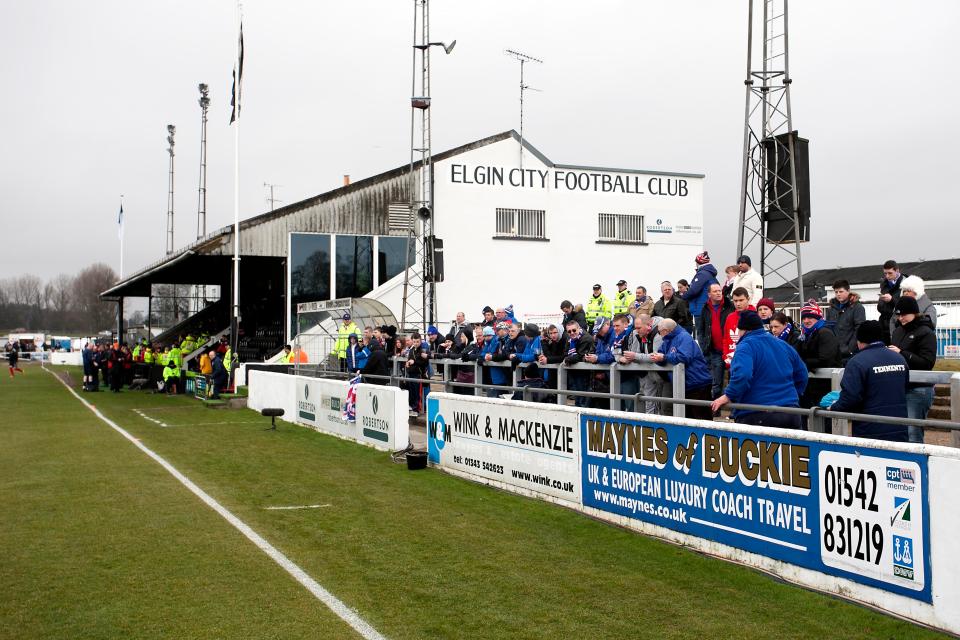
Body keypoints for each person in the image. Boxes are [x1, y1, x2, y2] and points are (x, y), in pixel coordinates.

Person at [711, 310, 808, 429]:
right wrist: (793, 396)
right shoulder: (782, 344)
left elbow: (743, 375)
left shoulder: (745, 346)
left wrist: (728, 395)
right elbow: (802, 373)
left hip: (757, 412)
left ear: (743, 330)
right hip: (790, 412)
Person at [827, 321, 909, 442]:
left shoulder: (857, 362)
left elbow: (851, 397)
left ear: (859, 340)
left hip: (870, 430)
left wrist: (834, 408)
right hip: (899, 427)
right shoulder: (900, 359)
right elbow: (905, 388)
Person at [889, 296, 938, 443]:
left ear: (914, 313)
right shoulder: (898, 331)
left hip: (919, 388)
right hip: (900, 386)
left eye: (904, 314)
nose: (901, 318)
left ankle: (917, 464)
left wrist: (901, 353)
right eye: (898, 314)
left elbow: (927, 363)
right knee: (900, 431)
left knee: (913, 432)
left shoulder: (926, 332)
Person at [651, 318, 714, 420]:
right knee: (688, 419)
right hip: (684, 385)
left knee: (702, 419)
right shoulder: (667, 340)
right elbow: (661, 353)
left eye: (659, 332)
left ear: (666, 331)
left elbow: (684, 357)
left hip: (697, 384)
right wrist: (659, 358)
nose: (658, 334)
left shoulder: (684, 337)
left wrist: (664, 357)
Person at [795, 299, 841, 424]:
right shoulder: (804, 334)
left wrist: (805, 363)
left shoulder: (825, 332)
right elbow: (796, 354)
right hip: (811, 384)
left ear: (818, 318)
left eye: (810, 317)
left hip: (825, 385)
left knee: (824, 420)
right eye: (804, 318)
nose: (806, 321)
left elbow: (826, 359)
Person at [619, 314, 665, 413]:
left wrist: (635, 356)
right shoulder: (641, 334)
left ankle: (655, 426)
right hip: (650, 374)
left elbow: (655, 357)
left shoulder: (658, 334)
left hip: (662, 376)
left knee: (661, 407)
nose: (636, 330)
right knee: (649, 404)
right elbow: (640, 354)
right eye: (635, 328)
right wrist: (631, 357)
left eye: (639, 328)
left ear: (648, 324)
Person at [696, 283, 735, 399]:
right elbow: (701, 329)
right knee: (716, 382)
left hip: (731, 350)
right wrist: (704, 346)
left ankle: (734, 409)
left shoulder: (730, 306)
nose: (718, 293)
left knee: (733, 379)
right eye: (715, 291)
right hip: (715, 350)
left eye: (719, 291)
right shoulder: (705, 308)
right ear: (709, 294)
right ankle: (716, 409)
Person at [825, 279, 866, 362]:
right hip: (834, 353)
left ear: (848, 291)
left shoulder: (858, 308)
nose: (838, 294)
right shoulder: (831, 309)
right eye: (836, 292)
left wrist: (850, 349)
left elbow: (859, 329)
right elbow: (828, 329)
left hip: (851, 353)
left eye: (841, 291)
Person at [679, 251, 719, 326]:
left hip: (700, 308)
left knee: (701, 334)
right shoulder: (710, 274)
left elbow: (694, 290)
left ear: (699, 262)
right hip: (706, 308)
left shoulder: (702, 274)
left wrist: (683, 296)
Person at [562, 320, 595, 408]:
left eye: (574, 330)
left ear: (579, 328)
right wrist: (568, 359)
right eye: (569, 331)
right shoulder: (569, 339)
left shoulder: (586, 338)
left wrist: (568, 359)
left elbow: (580, 356)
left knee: (582, 400)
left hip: (584, 373)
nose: (572, 333)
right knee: (578, 398)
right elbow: (565, 353)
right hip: (575, 372)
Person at [722, 287, 755, 367]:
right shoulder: (730, 317)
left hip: (750, 363)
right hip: (733, 363)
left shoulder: (755, 317)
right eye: (735, 301)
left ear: (748, 299)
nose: (738, 304)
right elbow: (725, 339)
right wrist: (726, 356)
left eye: (741, 300)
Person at [877, 259, 907, 345]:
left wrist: (892, 300)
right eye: (885, 273)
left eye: (890, 273)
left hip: (898, 323)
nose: (887, 276)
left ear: (897, 271)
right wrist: (881, 303)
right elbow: (880, 307)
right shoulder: (884, 283)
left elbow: (907, 306)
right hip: (884, 323)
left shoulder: (906, 284)